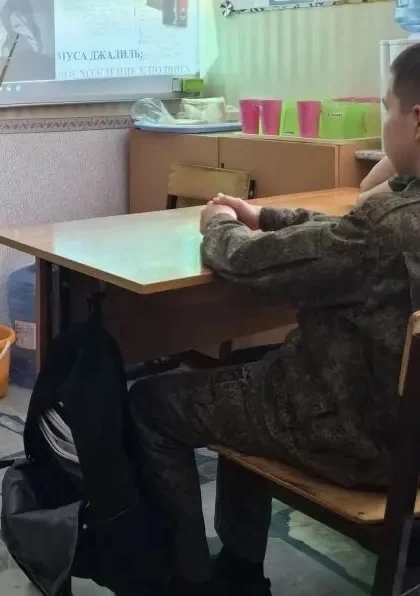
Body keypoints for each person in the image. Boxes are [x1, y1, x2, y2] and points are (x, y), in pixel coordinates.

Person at [130, 43, 420, 596]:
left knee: (150, 404)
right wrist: (265, 214)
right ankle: (240, 568)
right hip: (404, 426)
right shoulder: (390, 218)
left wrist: (220, 224)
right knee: (248, 367)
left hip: (359, 437)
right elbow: (344, 236)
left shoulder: (387, 225)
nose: (384, 124)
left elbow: (251, 264)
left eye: (387, 109)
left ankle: (193, 581)